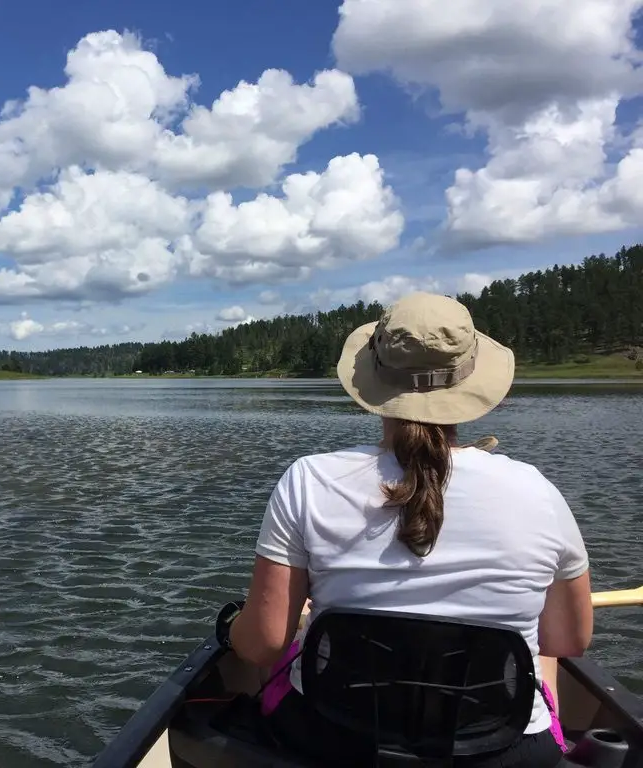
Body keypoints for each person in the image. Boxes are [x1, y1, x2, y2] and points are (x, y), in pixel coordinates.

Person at [224, 292, 593, 768]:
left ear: (373, 383)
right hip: (501, 751)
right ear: (473, 383)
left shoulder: (309, 480)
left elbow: (262, 644)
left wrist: (233, 628)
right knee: (544, 656)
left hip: (335, 741)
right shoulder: (537, 491)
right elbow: (568, 639)